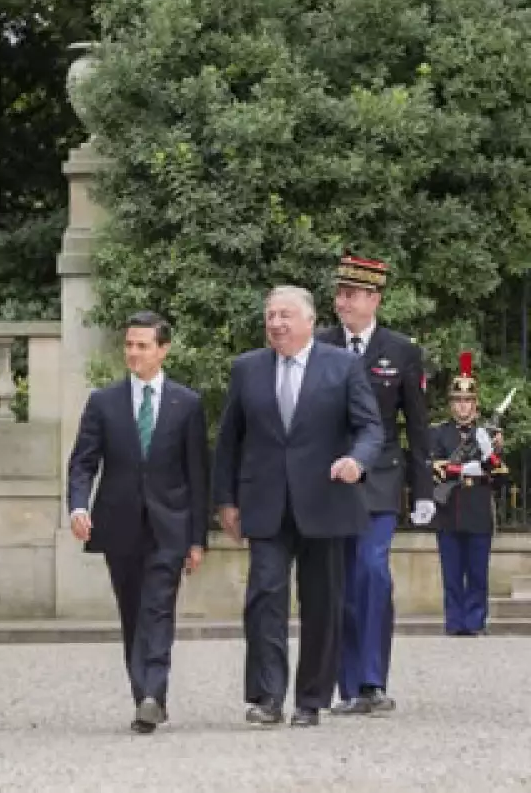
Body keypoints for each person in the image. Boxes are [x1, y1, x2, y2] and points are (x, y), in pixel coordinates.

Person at [213, 285, 383, 727]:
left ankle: (310, 699)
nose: (276, 324)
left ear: (310, 322)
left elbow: (370, 429)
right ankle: (267, 697)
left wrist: (357, 462)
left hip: (325, 503)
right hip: (266, 503)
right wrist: (225, 500)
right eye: (270, 315)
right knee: (264, 596)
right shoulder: (247, 369)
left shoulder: (344, 366)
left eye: (286, 315)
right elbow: (229, 440)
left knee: (321, 602)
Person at [66, 311, 209, 733]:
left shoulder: (188, 404)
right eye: (129, 344)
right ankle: (143, 693)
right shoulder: (103, 402)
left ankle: (152, 696)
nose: (133, 352)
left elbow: (197, 475)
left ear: (163, 349)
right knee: (132, 612)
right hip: (119, 523)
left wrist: (197, 539)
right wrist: (78, 506)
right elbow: (83, 463)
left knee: (158, 608)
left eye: (142, 345)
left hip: (171, 525)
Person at [317, 253, 433, 716]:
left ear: (374, 298)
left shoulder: (401, 350)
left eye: (351, 294)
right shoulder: (321, 344)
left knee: (371, 570)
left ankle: (371, 680)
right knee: (338, 579)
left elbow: (418, 426)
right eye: (339, 293)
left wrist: (424, 490)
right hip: (330, 477)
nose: (342, 301)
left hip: (380, 476)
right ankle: (346, 685)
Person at [429, 352, 508, 636]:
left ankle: (475, 622)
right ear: (451, 404)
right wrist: (469, 468)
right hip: (450, 511)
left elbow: (500, 477)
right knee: (451, 573)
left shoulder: (487, 436)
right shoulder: (438, 434)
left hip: (477, 512)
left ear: (476, 405)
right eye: (458, 401)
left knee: (477, 573)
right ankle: (454, 622)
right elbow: (435, 468)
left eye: (468, 401)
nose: (463, 407)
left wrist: (492, 453)